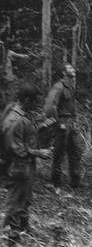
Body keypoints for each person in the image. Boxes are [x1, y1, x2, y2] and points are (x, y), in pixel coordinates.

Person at [2, 84, 52, 246]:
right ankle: (12, 237)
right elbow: (15, 149)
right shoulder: (14, 120)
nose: (36, 105)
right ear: (26, 100)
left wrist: (43, 125)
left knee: (26, 197)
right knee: (14, 201)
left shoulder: (24, 114)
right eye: (34, 101)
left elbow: (27, 132)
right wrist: (39, 153)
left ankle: (23, 226)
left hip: (26, 165)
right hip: (16, 166)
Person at [43, 63, 84, 191]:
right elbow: (50, 106)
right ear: (64, 72)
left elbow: (73, 105)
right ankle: (56, 182)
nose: (73, 69)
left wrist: (75, 121)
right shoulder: (58, 86)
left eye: (73, 67)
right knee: (59, 153)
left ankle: (75, 181)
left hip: (71, 122)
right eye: (70, 68)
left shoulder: (71, 86)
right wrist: (57, 123)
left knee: (75, 151)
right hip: (61, 123)